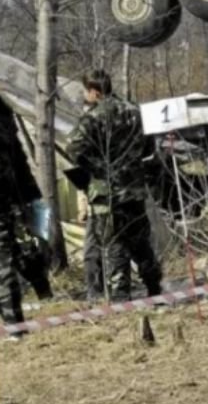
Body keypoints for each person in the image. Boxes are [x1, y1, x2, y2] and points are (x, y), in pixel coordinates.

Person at [67, 70, 162, 301]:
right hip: (134, 189)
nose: (85, 96)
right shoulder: (134, 111)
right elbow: (149, 148)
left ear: (95, 92)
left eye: (86, 92)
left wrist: (97, 166)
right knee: (141, 243)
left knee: (114, 245)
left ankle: (121, 299)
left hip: (107, 192)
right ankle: (155, 287)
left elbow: (73, 148)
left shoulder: (94, 117)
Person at [0, 92, 43, 328]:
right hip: (3, 195)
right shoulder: (0, 108)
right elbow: (18, 158)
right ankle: (10, 320)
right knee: (5, 255)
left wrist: (31, 195)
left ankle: (13, 322)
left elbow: (18, 158)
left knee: (5, 257)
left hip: (1, 195)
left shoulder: (0, 108)